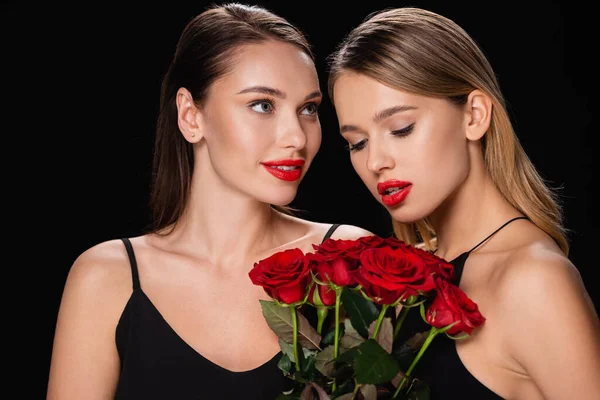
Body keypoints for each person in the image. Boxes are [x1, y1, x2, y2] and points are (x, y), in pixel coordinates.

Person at [46, 3, 371, 399]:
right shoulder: (107, 278)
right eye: (262, 105)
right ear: (190, 116)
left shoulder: (351, 256)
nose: (297, 137)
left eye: (308, 109)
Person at [327, 6, 600, 400]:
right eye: (358, 142)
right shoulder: (409, 274)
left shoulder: (533, 280)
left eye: (401, 129)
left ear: (474, 115)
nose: (375, 162)